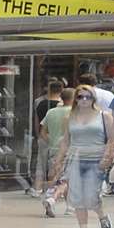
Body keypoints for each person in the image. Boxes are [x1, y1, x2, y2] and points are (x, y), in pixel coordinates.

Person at [54, 85, 114, 228]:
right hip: (75, 159)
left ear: (93, 99)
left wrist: (107, 157)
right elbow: (65, 141)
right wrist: (59, 160)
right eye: (80, 96)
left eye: (88, 97)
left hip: (96, 159)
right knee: (77, 195)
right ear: (75, 99)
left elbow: (112, 139)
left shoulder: (104, 116)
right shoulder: (69, 117)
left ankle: (102, 216)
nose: (84, 100)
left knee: (91, 195)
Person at [38, 86, 75, 217]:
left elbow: (42, 132)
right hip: (70, 150)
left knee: (55, 177)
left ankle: (57, 202)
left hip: (54, 149)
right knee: (68, 180)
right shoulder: (74, 112)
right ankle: (56, 202)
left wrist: (52, 141)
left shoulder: (51, 112)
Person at [31, 79, 63, 194]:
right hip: (59, 138)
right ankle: (55, 188)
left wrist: (37, 135)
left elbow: (37, 122)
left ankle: (37, 188)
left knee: (41, 163)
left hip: (43, 136)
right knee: (58, 164)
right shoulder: (63, 107)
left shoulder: (41, 104)